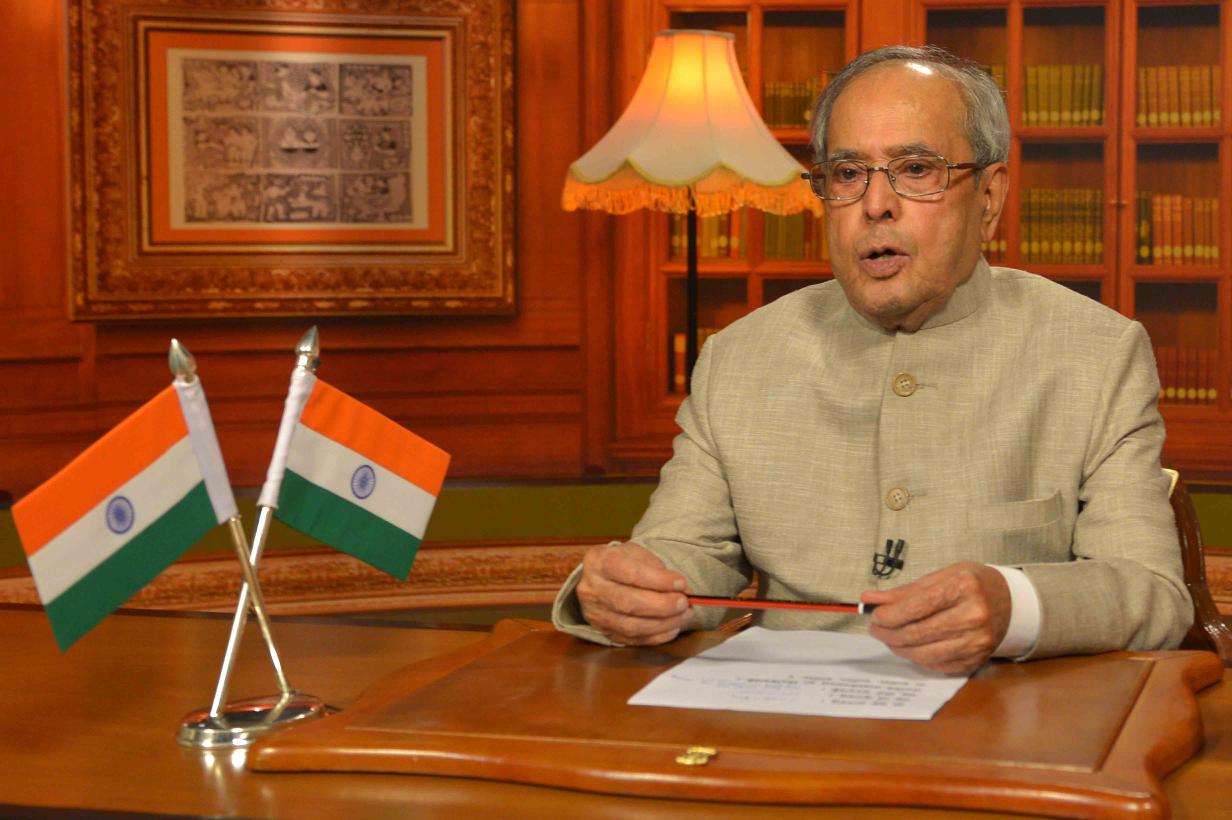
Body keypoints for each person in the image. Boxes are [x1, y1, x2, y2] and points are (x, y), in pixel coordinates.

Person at [552, 45, 1192, 674]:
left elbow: (1151, 592)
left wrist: (1014, 605)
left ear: (990, 198)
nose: (875, 205)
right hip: (786, 721)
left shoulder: (1096, 353)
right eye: (848, 173)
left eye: (916, 169)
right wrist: (624, 590)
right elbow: (683, 552)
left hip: (994, 719)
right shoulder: (738, 358)